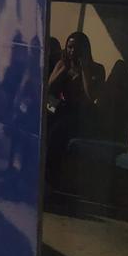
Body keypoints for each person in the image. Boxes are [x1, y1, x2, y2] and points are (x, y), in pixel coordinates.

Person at [44, 31, 106, 183]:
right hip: (63, 107)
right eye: (69, 47)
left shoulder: (97, 69)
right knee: (44, 118)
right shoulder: (62, 64)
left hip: (83, 112)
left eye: (76, 48)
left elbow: (91, 96)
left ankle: (53, 176)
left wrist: (84, 69)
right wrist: (64, 69)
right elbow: (49, 88)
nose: (72, 51)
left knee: (57, 131)